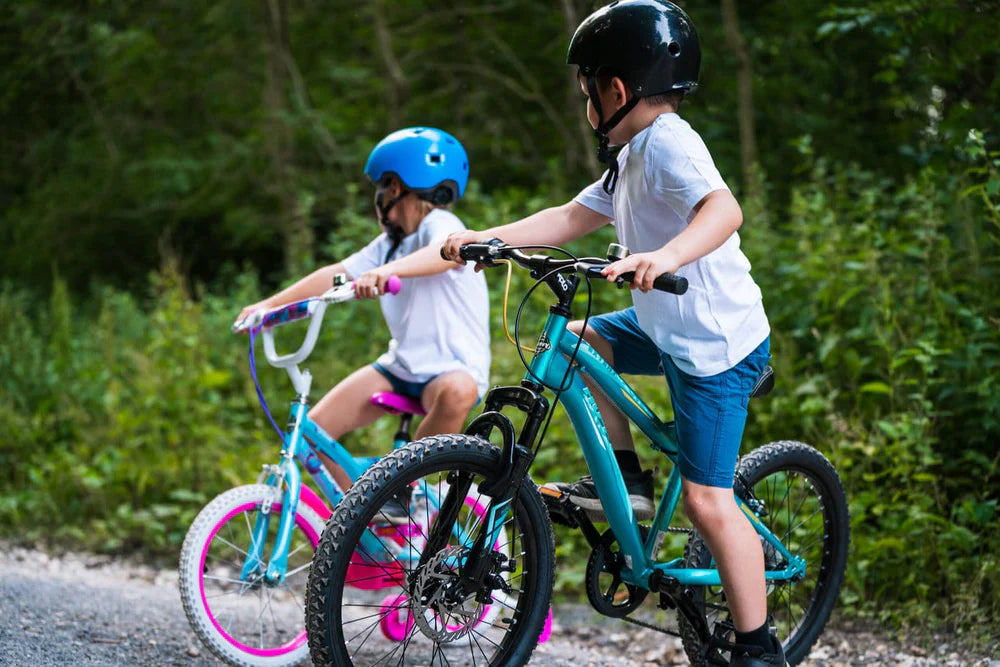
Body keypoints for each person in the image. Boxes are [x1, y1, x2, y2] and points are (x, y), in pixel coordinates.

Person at [441, 2, 782, 665]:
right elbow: (572, 216)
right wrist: (489, 238)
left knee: (710, 500)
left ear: (617, 90)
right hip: (665, 327)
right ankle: (627, 479)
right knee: (578, 340)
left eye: (587, 90)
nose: (586, 103)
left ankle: (759, 644)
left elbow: (723, 208)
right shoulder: (628, 157)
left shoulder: (670, 142)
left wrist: (668, 255)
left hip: (716, 348)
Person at [239, 127, 490, 521]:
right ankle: (368, 514)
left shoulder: (441, 224)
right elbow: (336, 273)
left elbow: (445, 255)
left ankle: (406, 487)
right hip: (400, 367)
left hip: (450, 370)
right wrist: (267, 306)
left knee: (459, 392)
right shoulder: (389, 244)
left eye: (381, 187)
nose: (377, 198)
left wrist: (387, 272)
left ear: (396, 186)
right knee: (309, 434)